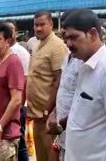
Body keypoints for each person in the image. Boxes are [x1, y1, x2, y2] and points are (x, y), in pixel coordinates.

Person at [62, 9, 106, 161]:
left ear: (92, 34)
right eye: (67, 38)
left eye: (74, 37)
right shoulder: (84, 65)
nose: (69, 44)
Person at [26, 11, 68, 161]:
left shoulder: (57, 47)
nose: (38, 28)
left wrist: (47, 111)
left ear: (51, 24)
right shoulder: (37, 45)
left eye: (42, 24)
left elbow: (60, 81)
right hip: (36, 116)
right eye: (36, 25)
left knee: (51, 156)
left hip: (48, 118)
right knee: (40, 156)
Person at [0, 21, 25, 161]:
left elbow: (16, 99)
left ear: (8, 41)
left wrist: (0, 126)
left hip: (5, 133)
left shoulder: (13, 62)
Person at [5, 20, 30, 161]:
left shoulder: (21, 53)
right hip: (8, 106)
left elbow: (25, 81)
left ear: (16, 32)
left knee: (20, 143)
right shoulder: (3, 52)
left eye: (11, 29)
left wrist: (20, 106)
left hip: (18, 105)